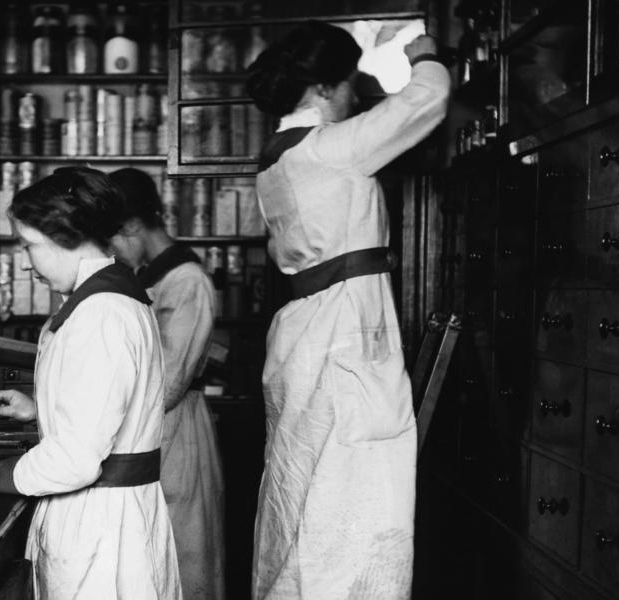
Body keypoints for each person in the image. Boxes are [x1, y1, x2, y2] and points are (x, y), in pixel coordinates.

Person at [244, 22, 450, 599]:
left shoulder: (277, 159)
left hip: (306, 332)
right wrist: (424, 53)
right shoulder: (328, 150)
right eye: (348, 85)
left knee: (304, 493)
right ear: (323, 88)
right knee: (348, 504)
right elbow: (426, 99)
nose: (355, 96)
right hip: (340, 337)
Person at [0, 166, 182, 600]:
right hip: (108, 518)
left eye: (30, 245)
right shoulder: (107, 301)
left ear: (66, 238)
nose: (27, 260)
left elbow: (76, 461)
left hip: (100, 526)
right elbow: (111, 406)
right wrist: (42, 407)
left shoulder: (100, 315)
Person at [109, 167, 226, 600]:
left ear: (135, 225)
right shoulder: (152, 278)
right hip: (156, 430)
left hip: (178, 433)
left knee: (184, 554)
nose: (114, 253)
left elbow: (171, 383)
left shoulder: (187, 280)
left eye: (115, 239)